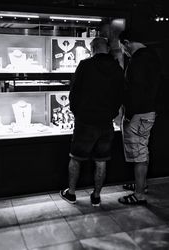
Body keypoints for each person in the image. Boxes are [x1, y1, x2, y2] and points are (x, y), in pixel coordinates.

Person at [60, 37, 124, 206]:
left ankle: (72, 193)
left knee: (76, 158)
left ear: (92, 48)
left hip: (85, 121)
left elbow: (73, 93)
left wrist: (77, 113)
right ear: (107, 48)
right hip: (106, 122)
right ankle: (96, 196)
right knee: (101, 160)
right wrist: (110, 113)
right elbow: (120, 95)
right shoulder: (116, 68)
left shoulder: (85, 65)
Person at [118, 30, 161, 205]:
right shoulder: (152, 56)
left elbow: (134, 91)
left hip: (138, 113)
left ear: (126, 42)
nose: (123, 51)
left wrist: (127, 115)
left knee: (139, 154)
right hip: (148, 111)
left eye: (122, 47)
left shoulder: (138, 60)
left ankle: (139, 194)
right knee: (143, 149)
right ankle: (141, 185)